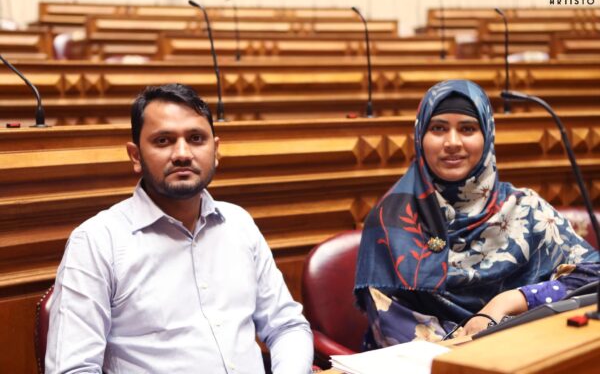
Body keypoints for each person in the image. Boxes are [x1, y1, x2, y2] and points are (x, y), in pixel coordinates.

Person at [45, 83, 314, 374]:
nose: (182, 153)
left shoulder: (239, 224)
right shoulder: (97, 241)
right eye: (163, 141)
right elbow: (72, 369)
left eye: (196, 138)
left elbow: (287, 326)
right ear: (135, 156)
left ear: (216, 150)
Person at [355, 79, 599, 347]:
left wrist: (510, 301)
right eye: (438, 128)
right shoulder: (390, 222)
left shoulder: (526, 208)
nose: (452, 142)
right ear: (419, 137)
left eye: (467, 129)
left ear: (487, 136)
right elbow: (400, 338)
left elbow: (592, 277)